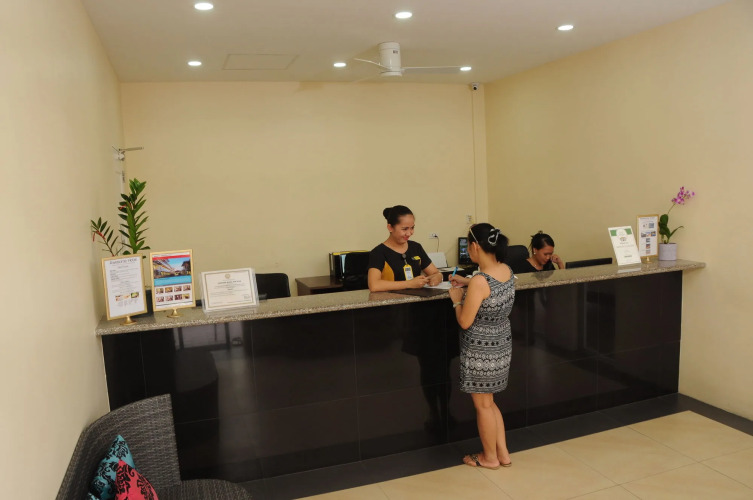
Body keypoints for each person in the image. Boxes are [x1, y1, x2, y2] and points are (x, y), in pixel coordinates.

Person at [448, 223, 514, 469]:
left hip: (481, 350)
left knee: (483, 406)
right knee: (490, 402)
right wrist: (467, 282)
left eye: (468, 246)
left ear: (475, 246)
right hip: (501, 343)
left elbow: (465, 321)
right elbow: (489, 289)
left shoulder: (479, 281)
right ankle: (503, 454)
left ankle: (489, 458)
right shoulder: (506, 269)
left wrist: (456, 301)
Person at [368, 205, 442, 292]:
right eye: (404, 229)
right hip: (391, 299)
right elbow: (374, 285)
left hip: (417, 298)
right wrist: (409, 284)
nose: (409, 233)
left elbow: (435, 273)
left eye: (412, 228)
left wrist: (438, 277)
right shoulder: (378, 252)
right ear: (390, 228)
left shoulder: (416, 247)